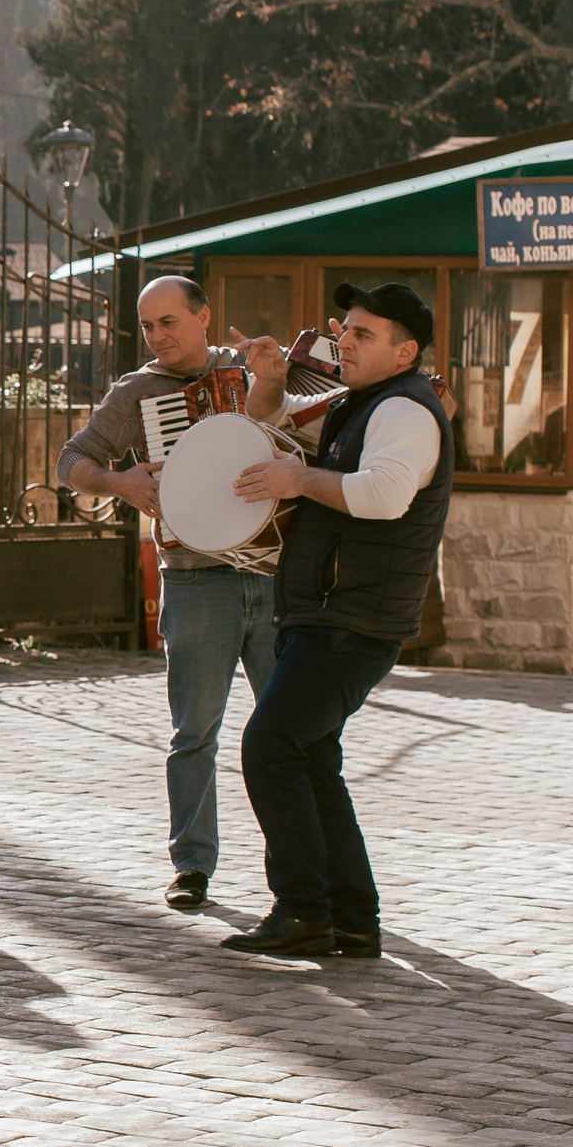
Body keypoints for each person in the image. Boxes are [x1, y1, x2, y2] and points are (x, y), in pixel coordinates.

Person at [220, 281, 452, 958]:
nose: (344, 341)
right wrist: (268, 382)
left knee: (271, 748)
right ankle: (351, 917)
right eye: (346, 329)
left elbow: (383, 495)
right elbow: (278, 419)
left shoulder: (404, 409)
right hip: (332, 613)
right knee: (312, 759)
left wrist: (297, 480)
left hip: (350, 619)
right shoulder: (363, 403)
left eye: (363, 334)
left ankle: (303, 910)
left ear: (405, 352)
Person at [58, 275, 272, 911]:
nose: (156, 336)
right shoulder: (137, 392)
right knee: (193, 732)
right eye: (148, 326)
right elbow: (71, 461)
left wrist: (280, 377)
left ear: (204, 317)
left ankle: (297, 868)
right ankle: (192, 865)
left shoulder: (255, 370)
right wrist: (120, 483)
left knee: (287, 732)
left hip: (273, 574)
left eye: (169, 322)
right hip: (195, 578)